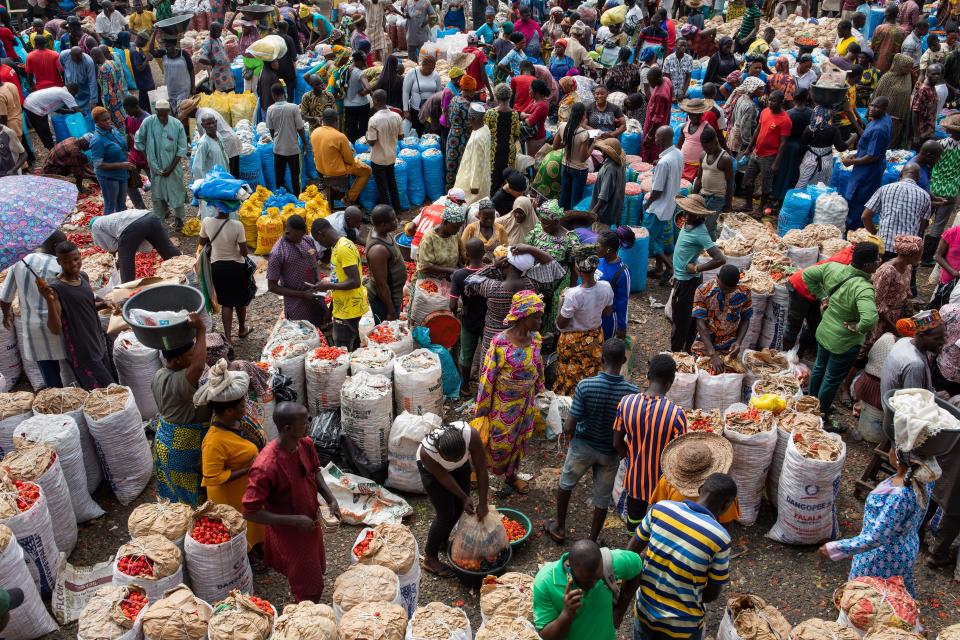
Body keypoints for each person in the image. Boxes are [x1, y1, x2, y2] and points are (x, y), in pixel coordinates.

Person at [243, 402, 341, 602]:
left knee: (313, 566)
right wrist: (295, 520)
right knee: (308, 584)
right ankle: (304, 613)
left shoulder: (304, 443)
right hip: (290, 533)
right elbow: (250, 512)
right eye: (304, 421)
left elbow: (314, 471)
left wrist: (330, 498)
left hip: (308, 522)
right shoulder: (266, 466)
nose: (309, 423)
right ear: (287, 428)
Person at [547, 339, 639, 542]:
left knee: (566, 483)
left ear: (601, 358)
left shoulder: (586, 385)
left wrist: (571, 438)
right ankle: (592, 539)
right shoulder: (633, 393)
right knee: (602, 499)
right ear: (624, 360)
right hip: (610, 452)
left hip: (583, 446)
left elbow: (570, 426)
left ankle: (559, 527)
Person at [628, 473, 736, 640]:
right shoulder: (720, 538)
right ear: (728, 504)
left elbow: (630, 553)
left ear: (700, 490)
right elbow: (712, 593)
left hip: (644, 613)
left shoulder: (660, 509)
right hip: (683, 627)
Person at [820, 445, 931, 597]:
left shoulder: (900, 495)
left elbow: (876, 537)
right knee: (894, 597)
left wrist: (836, 547)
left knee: (864, 601)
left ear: (900, 457)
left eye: (892, 447)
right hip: (907, 548)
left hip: (881, 558)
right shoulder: (922, 480)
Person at [473, 290, 546, 495]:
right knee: (497, 442)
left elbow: (538, 365)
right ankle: (478, 473)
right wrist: (482, 409)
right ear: (523, 317)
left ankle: (512, 476)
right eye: (537, 317)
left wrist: (541, 389)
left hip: (525, 402)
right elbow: (487, 377)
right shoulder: (500, 343)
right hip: (502, 404)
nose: (540, 321)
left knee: (519, 441)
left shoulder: (535, 339)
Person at [803, 242, 880, 429]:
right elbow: (870, 319)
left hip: (824, 330)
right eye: (876, 259)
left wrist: (822, 296)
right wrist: (858, 327)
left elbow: (807, 274)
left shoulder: (834, 268)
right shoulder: (863, 288)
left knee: (820, 368)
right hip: (844, 341)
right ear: (866, 266)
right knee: (831, 378)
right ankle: (820, 416)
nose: (879, 262)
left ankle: (810, 404)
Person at [613, 354, 688, 530]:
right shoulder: (676, 415)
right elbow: (679, 457)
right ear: (671, 382)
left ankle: (634, 551)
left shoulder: (626, 403)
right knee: (659, 525)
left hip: (634, 480)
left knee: (634, 521)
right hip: (662, 485)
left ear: (647, 376)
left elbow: (617, 443)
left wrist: (631, 457)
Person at [197, 359, 265, 552]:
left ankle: (259, 548)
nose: (245, 407)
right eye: (241, 406)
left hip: (245, 487)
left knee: (257, 522)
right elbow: (213, 478)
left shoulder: (234, 421)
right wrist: (249, 468)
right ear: (227, 411)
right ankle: (250, 555)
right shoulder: (214, 442)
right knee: (243, 527)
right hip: (231, 496)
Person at [39, 241, 115, 391]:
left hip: (98, 342)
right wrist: (48, 300)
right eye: (66, 262)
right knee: (103, 394)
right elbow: (55, 328)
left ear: (80, 256)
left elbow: (84, 307)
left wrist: (105, 303)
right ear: (58, 262)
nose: (73, 264)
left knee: (112, 386)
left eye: (76, 259)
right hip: (82, 352)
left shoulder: (83, 277)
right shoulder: (56, 289)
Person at [417, 420, 489, 576]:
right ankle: (430, 557)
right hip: (435, 473)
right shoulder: (427, 452)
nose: (455, 461)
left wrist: (483, 503)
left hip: (461, 468)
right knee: (445, 514)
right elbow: (443, 477)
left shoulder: (471, 436)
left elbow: (482, 469)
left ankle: (442, 541)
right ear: (440, 452)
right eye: (452, 460)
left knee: (458, 509)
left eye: (460, 457)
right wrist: (464, 497)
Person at [151, 314, 209, 505]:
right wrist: (201, 330)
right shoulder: (176, 382)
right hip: (180, 447)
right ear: (176, 360)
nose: (194, 358)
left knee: (176, 491)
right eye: (190, 355)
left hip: (166, 440)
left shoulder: (160, 374)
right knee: (191, 497)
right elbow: (199, 366)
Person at [535, 539, 643, 640]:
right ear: (570, 569)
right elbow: (544, 635)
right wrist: (567, 613)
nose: (593, 584)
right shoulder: (545, 582)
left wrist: (619, 611)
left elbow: (638, 566)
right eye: (587, 581)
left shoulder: (611, 562)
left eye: (599, 578)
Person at [0, 231, 66, 389]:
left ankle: (57, 401)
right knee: (67, 368)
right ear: (55, 246)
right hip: (59, 326)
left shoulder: (21, 262)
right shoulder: (60, 265)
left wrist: (6, 315)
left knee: (49, 373)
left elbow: (5, 297)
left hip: (32, 330)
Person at [554, 245, 613, 396]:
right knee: (590, 373)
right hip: (594, 339)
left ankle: (569, 406)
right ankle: (589, 401)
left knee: (569, 376)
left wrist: (561, 304)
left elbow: (561, 324)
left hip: (573, 342)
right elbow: (607, 313)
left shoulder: (573, 294)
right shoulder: (606, 287)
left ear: (578, 269)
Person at [671, 196, 727, 352]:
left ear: (698, 215)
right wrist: (676, 273)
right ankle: (686, 350)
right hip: (682, 279)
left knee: (681, 321)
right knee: (687, 318)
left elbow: (720, 259)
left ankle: (675, 353)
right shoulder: (687, 223)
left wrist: (697, 268)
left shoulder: (700, 232)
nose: (686, 215)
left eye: (690, 213)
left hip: (688, 282)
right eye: (685, 211)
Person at [200, 196, 252, 346]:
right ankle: (242, 329)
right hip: (236, 267)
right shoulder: (237, 225)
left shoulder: (207, 222)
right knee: (241, 300)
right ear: (232, 208)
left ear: (216, 206)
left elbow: (202, 242)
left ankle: (228, 339)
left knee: (227, 303)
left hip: (217, 267)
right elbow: (243, 253)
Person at [525, 200, 581, 333]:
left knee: (556, 311)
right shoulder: (538, 230)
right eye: (541, 221)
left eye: (546, 222)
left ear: (557, 221)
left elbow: (574, 266)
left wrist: (571, 288)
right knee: (535, 311)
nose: (543, 225)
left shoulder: (570, 239)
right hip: (536, 280)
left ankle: (553, 342)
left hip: (559, 283)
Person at [311, 218, 368, 350]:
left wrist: (327, 286)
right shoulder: (337, 246)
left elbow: (354, 281)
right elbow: (340, 280)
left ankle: (349, 370)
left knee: (343, 349)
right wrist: (331, 310)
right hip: (343, 307)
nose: (319, 243)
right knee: (352, 344)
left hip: (349, 309)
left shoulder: (343, 248)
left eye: (318, 240)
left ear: (321, 234)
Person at [134, 99, 188, 226]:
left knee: (176, 191)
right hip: (155, 166)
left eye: (165, 114)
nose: (162, 117)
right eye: (160, 114)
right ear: (156, 111)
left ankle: (179, 219)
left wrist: (170, 168)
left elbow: (182, 148)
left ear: (169, 111)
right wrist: (147, 158)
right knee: (157, 193)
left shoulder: (177, 124)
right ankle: (160, 218)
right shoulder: (148, 122)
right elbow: (138, 140)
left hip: (173, 167)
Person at [90, 209, 182, 282]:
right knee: (167, 249)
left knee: (125, 258)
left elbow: (112, 247)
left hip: (134, 225)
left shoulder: (95, 225)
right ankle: (186, 271)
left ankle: (127, 288)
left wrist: (119, 258)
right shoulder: (110, 219)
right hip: (150, 217)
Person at [267, 215, 327, 326]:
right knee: (303, 332)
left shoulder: (306, 240)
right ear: (288, 232)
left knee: (323, 324)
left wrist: (318, 279)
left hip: (316, 296)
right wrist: (302, 294)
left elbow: (315, 262)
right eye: (297, 236)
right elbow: (272, 287)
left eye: (302, 235)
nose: (300, 239)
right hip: (297, 304)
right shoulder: (278, 253)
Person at [843, 96, 892, 231]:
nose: (872, 109)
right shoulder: (882, 119)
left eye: (877, 107)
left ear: (884, 109)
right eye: (872, 105)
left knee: (857, 199)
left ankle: (852, 230)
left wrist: (851, 162)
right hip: (868, 166)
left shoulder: (879, 129)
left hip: (867, 170)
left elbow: (872, 156)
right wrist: (856, 154)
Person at [741, 90, 792, 217]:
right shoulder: (764, 111)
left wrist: (776, 162)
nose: (770, 102)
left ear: (781, 102)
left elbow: (783, 143)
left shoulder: (785, 120)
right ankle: (748, 204)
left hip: (769, 156)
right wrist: (749, 148)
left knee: (766, 185)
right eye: (770, 99)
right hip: (756, 152)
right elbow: (758, 129)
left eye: (774, 100)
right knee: (748, 180)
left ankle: (760, 208)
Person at [691, 264, 753, 368]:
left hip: (729, 343)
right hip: (705, 342)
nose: (725, 292)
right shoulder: (703, 291)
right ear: (717, 277)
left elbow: (746, 319)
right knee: (699, 370)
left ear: (737, 284)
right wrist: (712, 354)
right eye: (722, 288)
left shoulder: (744, 292)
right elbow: (700, 324)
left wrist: (738, 342)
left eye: (730, 290)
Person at [862, 165, 932, 256]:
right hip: (907, 251)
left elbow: (865, 217)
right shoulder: (925, 196)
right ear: (918, 178)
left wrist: (876, 233)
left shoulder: (884, 189)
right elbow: (922, 226)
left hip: (883, 246)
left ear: (900, 174)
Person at [644, 126, 684, 285]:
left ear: (665, 139)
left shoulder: (664, 163)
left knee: (649, 239)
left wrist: (648, 203)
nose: (655, 140)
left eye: (657, 137)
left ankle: (670, 268)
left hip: (658, 208)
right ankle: (659, 268)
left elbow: (657, 191)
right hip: (669, 204)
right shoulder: (677, 154)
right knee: (659, 237)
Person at [311, 108, 372, 205]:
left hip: (320, 169)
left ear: (322, 119)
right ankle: (348, 199)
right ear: (336, 121)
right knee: (367, 171)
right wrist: (351, 152)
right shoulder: (339, 136)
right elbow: (350, 161)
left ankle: (337, 191)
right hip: (335, 171)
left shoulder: (315, 132)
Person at [797, 101, 857, 189]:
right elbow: (841, 148)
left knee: (802, 186)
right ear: (828, 115)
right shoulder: (833, 130)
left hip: (809, 161)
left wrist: (799, 162)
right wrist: (852, 138)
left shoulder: (809, 129)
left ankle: (801, 202)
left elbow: (802, 148)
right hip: (826, 163)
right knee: (821, 188)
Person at [364, 89, 403, 212]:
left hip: (378, 158)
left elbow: (372, 141)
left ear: (375, 101)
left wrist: (366, 136)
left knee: (382, 186)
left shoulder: (374, 120)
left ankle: (387, 212)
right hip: (391, 156)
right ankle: (397, 208)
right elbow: (401, 136)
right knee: (392, 183)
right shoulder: (396, 116)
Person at [365, 205, 406, 322]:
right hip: (384, 301)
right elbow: (381, 285)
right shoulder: (378, 250)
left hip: (394, 295)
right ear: (383, 224)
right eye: (393, 220)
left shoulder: (383, 232)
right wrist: (391, 311)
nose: (397, 221)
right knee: (386, 331)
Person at [265, 83, 307, 196]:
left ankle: (280, 199)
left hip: (278, 149)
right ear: (284, 93)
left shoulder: (270, 110)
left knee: (279, 177)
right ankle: (298, 199)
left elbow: (271, 130)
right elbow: (300, 128)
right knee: (295, 177)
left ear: (273, 95)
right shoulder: (293, 107)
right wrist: (304, 143)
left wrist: (277, 139)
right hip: (293, 149)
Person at [89, 106, 132, 214]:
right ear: (96, 122)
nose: (108, 121)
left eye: (109, 118)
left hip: (122, 173)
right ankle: (107, 229)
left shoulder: (113, 130)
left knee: (121, 204)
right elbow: (98, 164)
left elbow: (121, 146)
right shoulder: (97, 140)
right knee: (110, 205)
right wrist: (121, 165)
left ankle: (123, 227)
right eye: (104, 120)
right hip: (109, 177)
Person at [691, 128, 733, 237]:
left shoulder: (725, 159)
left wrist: (728, 204)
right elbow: (699, 178)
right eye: (704, 148)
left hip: (717, 198)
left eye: (708, 148)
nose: (707, 150)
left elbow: (730, 183)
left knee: (709, 227)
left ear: (716, 142)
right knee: (698, 223)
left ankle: (709, 251)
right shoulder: (703, 155)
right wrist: (692, 197)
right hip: (703, 195)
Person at [192, 110, 231, 219]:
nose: (211, 126)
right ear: (202, 125)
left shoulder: (218, 135)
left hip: (223, 179)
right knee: (212, 211)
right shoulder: (204, 142)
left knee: (225, 207)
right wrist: (201, 186)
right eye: (208, 124)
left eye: (213, 122)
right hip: (211, 184)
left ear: (216, 122)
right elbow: (197, 167)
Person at [415, 201, 464, 284]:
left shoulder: (455, 235)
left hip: (448, 277)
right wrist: (452, 270)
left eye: (460, 227)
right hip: (428, 280)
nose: (458, 230)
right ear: (445, 222)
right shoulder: (429, 238)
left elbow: (461, 254)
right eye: (455, 227)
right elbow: (425, 266)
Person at [596, 229, 632, 340]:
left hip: (609, 318)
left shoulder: (622, 272)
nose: (595, 247)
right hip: (594, 313)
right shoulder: (598, 261)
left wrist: (622, 326)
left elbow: (623, 300)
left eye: (598, 245)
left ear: (608, 249)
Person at [555, 102, 592, 211]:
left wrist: (568, 142)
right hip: (579, 170)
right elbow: (583, 158)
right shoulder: (584, 134)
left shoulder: (562, 126)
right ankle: (572, 223)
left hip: (565, 166)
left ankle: (560, 220)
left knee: (564, 196)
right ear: (583, 115)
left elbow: (555, 146)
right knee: (575, 200)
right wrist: (593, 144)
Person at [444, 75, 478, 190]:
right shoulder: (466, 105)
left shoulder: (454, 99)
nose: (474, 92)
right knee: (461, 165)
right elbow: (470, 125)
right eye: (473, 90)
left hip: (452, 134)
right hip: (461, 138)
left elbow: (448, 115)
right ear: (469, 90)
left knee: (451, 164)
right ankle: (458, 191)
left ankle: (449, 190)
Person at [454, 103, 492, 203]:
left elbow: (477, 163)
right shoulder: (485, 129)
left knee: (471, 204)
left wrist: (474, 186)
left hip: (473, 180)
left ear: (472, 118)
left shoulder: (477, 138)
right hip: (484, 176)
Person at [873, 54, 912, 150]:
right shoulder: (887, 78)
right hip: (885, 116)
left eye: (910, 67)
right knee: (881, 141)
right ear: (898, 65)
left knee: (893, 142)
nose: (909, 69)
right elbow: (877, 96)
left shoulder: (907, 77)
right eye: (906, 67)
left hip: (898, 118)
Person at [23, 84, 79, 151]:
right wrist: (86, 116)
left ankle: (52, 149)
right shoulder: (65, 93)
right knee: (44, 130)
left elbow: (57, 109)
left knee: (44, 130)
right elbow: (77, 109)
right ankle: (52, 151)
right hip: (33, 107)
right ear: (72, 91)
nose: (74, 96)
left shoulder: (59, 90)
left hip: (29, 103)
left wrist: (70, 112)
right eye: (74, 94)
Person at [486, 83, 520, 190]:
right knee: (507, 178)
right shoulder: (514, 114)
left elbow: (486, 133)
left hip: (494, 150)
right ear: (509, 96)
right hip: (509, 150)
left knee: (494, 178)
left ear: (496, 96)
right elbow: (516, 135)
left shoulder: (490, 113)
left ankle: (493, 201)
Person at [590, 138, 627, 233]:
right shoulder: (620, 164)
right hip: (614, 209)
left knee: (600, 238)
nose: (601, 152)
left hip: (603, 214)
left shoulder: (610, 169)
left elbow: (603, 198)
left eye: (603, 150)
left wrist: (592, 213)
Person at [724, 76, 764, 158]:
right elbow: (745, 127)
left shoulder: (741, 97)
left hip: (734, 131)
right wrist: (748, 144)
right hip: (740, 138)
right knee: (738, 160)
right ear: (752, 89)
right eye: (760, 89)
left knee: (732, 157)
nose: (762, 91)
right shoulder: (750, 106)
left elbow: (734, 116)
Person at [402, 55, 442, 136]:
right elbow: (405, 92)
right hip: (416, 110)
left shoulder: (436, 75)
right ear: (422, 65)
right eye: (429, 68)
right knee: (417, 132)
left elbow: (439, 93)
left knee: (431, 134)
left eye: (433, 68)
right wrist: (405, 110)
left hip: (431, 111)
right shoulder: (412, 73)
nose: (431, 70)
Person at [641, 68, 673, 162]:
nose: (650, 84)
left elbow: (657, 120)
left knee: (651, 151)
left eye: (651, 81)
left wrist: (649, 136)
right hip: (665, 121)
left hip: (655, 129)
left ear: (658, 79)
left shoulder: (660, 95)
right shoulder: (666, 80)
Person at [198, 22, 235, 94]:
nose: (220, 33)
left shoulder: (218, 39)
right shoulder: (208, 42)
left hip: (226, 73)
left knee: (230, 95)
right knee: (221, 96)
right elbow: (201, 58)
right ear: (212, 30)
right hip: (219, 76)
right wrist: (211, 62)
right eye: (219, 31)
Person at [912, 63, 942, 148]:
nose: (937, 76)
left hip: (929, 131)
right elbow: (915, 112)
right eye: (934, 74)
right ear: (927, 74)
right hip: (922, 132)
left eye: (938, 74)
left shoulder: (932, 86)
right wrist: (916, 135)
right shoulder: (923, 90)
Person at [60, 47, 97, 113]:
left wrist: (93, 100)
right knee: (72, 111)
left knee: (86, 112)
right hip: (70, 89)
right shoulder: (64, 55)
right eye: (75, 58)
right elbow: (62, 68)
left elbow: (92, 81)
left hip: (84, 91)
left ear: (82, 54)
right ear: (70, 54)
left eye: (79, 58)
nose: (77, 60)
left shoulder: (88, 61)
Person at [521, 79, 550, 156]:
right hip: (531, 136)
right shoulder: (533, 101)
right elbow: (522, 114)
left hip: (537, 138)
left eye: (530, 89)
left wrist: (527, 116)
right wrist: (530, 116)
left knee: (534, 162)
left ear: (536, 91)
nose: (529, 91)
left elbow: (530, 122)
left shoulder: (542, 105)